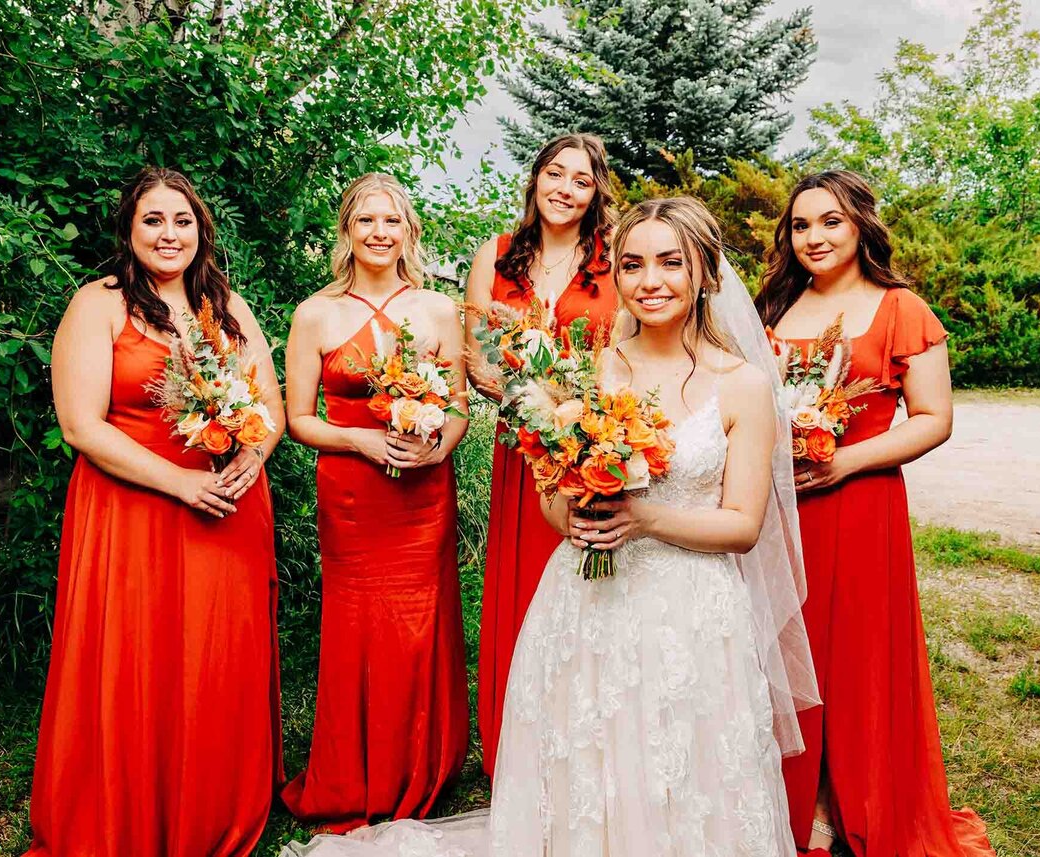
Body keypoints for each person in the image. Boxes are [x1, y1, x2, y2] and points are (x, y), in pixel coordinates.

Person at [281, 196, 818, 857]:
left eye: (670, 263)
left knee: (680, 754)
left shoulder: (742, 385)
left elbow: (741, 524)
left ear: (706, 273)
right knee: (593, 748)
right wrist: (578, 506)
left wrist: (641, 515)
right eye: (632, 264)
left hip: (690, 608)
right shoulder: (594, 369)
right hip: (588, 595)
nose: (651, 280)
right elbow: (551, 503)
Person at [28, 167, 284, 857]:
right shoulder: (100, 304)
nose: (169, 234)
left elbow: (272, 407)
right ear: (129, 229)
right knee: (136, 659)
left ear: (201, 230)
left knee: (213, 658)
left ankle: (211, 807)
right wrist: (178, 482)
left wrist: (252, 458)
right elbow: (82, 425)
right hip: (133, 509)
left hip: (228, 508)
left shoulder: (228, 305)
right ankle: (130, 809)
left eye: (182, 221)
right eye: (153, 220)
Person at [758, 170, 995, 856]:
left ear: (860, 222)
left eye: (830, 221)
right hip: (781, 514)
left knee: (857, 658)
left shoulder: (901, 308)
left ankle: (844, 799)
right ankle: (795, 795)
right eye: (801, 225)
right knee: (790, 650)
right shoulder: (773, 308)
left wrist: (846, 463)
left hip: (862, 504)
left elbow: (934, 418)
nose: (814, 237)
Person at [281, 173, 469, 833]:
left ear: (409, 230)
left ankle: (422, 764)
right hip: (352, 495)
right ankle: (352, 770)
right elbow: (298, 418)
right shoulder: (315, 313)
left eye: (392, 220)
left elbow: (461, 408)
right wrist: (359, 438)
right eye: (366, 221)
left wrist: (440, 447)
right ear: (347, 231)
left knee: (418, 625)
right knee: (358, 625)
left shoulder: (439, 310)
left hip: (421, 495)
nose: (380, 232)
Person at [465, 132, 618, 776]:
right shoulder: (495, 254)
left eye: (580, 181)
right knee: (527, 590)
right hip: (520, 450)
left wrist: (580, 416)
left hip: (591, 447)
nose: (564, 189)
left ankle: (593, 741)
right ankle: (525, 744)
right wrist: (529, 399)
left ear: (596, 193)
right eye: (555, 174)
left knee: (596, 584)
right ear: (535, 180)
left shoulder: (615, 265)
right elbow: (475, 355)